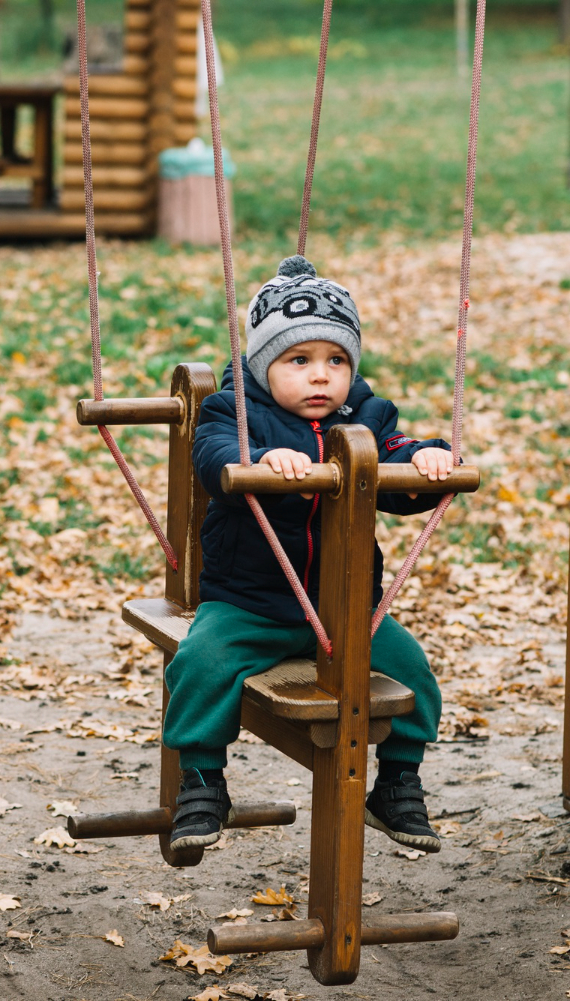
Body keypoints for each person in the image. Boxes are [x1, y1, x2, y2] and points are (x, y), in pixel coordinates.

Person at [164, 255, 453, 854]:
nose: (321, 376)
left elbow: (396, 459)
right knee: (199, 663)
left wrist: (426, 459)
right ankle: (203, 783)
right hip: (249, 605)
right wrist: (258, 461)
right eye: (299, 360)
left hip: (346, 613)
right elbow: (213, 457)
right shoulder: (236, 414)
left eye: (336, 360)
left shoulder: (367, 417)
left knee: (415, 674)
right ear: (263, 364)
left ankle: (397, 784)